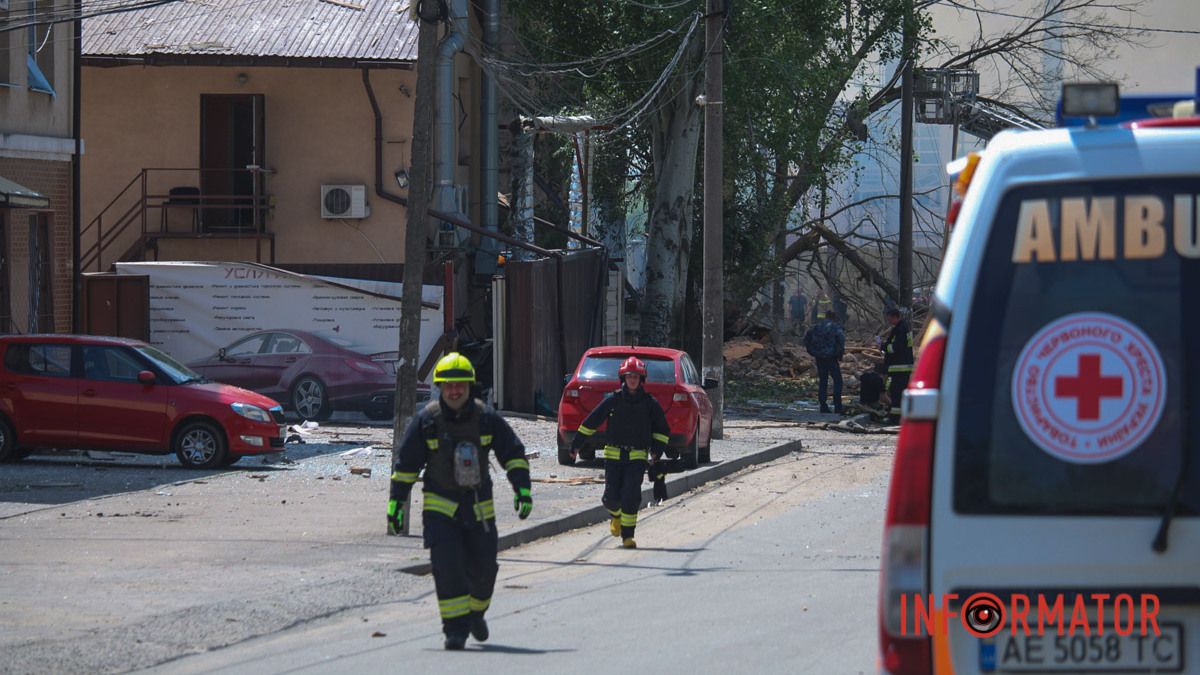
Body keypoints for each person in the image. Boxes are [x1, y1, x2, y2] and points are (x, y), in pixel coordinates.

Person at [387, 352, 532, 651]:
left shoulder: (487, 419)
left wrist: (523, 490)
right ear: (441, 387)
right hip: (439, 510)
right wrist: (395, 505)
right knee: (447, 568)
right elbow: (405, 467)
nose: (455, 391)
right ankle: (455, 630)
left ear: (469, 387)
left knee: (484, 570)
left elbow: (513, 455)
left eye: (460, 386)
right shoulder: (426, 421)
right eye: (449, 386)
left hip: (479, 509)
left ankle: (476, 612)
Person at [570, 356, 669, 549]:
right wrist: (576, 445)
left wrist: (656, 452)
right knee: (610, 498)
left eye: (636, 376)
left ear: (642, 379)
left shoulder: (650, 403)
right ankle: (615, 516)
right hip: (613, 457)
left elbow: (662, 430)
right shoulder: (613, 400)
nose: (633, 379)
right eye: (629, 376)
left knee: (631, 497)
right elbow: (591, 422)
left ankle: (627, 537)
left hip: (637, 458)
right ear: (623, 378)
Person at [804, 310, 845, 414]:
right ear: (834, 317)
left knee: (823, 381)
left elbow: (806, 339)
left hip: (820, 357)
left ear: (825, 316)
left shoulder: (816, 327)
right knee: (837, 381)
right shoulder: (836, 327)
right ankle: (838, 406)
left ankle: (823, 405)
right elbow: (841, 340)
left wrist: (813, 352)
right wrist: (838, 354)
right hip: (831, 357)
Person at [881, 307, 914, 419]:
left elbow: (895, 348)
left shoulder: (900, 329)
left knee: (896, 393)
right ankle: (898, 416)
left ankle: (895, 418)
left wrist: (882, 346)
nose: (889, 321)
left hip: (899, 367)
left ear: (896, 317)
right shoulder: (903, 327)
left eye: (890, 319)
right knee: (898, 393)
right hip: (902, 366)